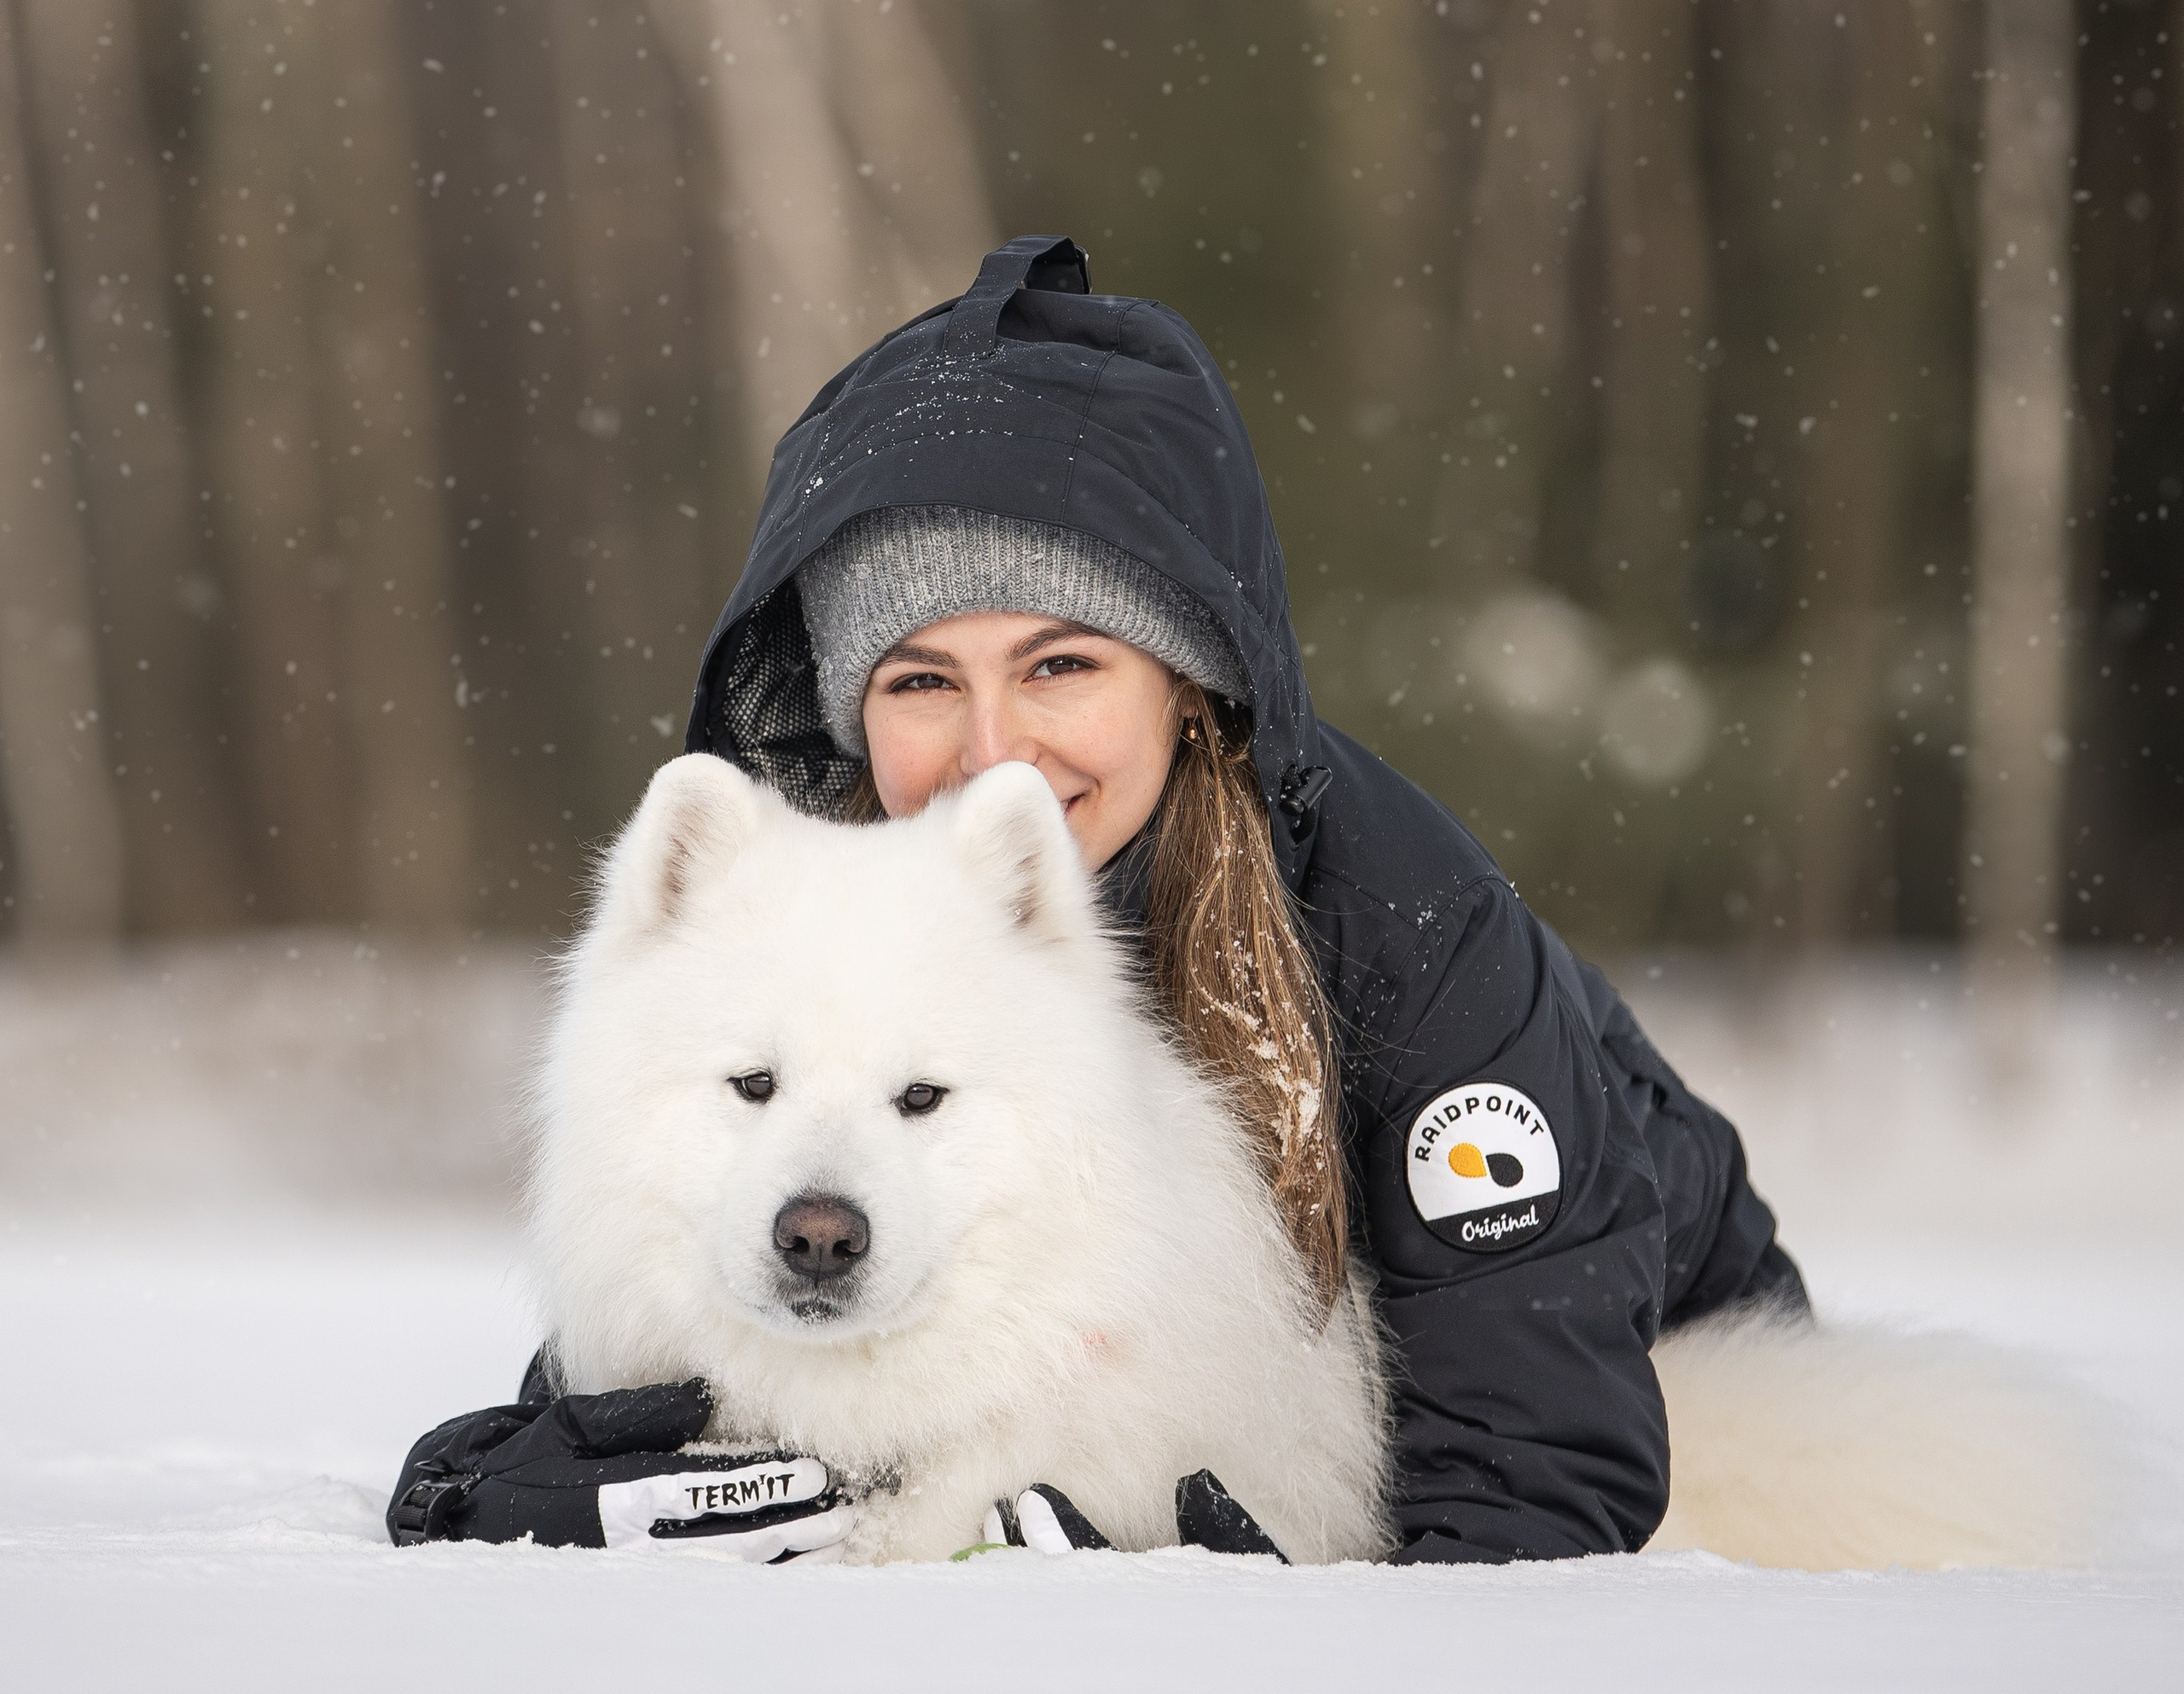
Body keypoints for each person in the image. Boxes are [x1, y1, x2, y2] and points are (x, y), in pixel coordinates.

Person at [390, 233, 1804, 1561]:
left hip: (1662, 1385)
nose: (994, 751)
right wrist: (522, 1484)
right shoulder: (803, 894)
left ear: (1187, 688)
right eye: (922, 681)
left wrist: (1285, 1619)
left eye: (1063, 666)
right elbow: (663, 1245)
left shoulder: (1409, 927)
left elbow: (1537, 1470)